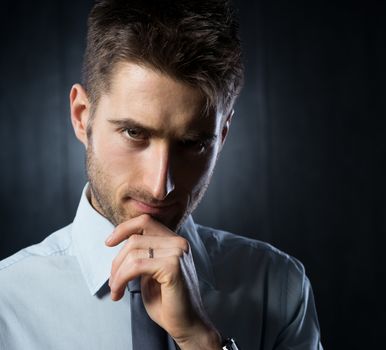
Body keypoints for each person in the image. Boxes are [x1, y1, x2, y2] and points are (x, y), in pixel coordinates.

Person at [0, 0, 323, 349]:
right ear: (82, 116)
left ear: (223, 135)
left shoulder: (280, 287)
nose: (159, 187)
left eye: (192, 143)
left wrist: (202, 341)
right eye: (134, 133)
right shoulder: (7, 303)